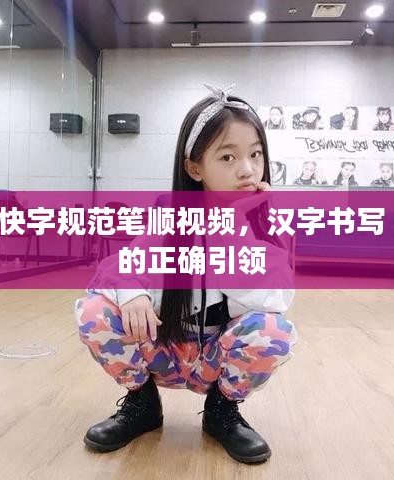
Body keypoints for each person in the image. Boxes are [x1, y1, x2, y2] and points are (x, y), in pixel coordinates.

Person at [74, 84, 297, 464]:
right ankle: (143, 405)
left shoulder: (269, 229)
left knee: (273, 331)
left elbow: (270, 302)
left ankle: (221, 411)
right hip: (162, 350)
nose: (247, 169)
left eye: (255, 154)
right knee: (94, 311)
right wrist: (134, 293)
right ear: (194, 168)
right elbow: (118, 268)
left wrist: (231, 227)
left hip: (216, 360)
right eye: (228, 157)